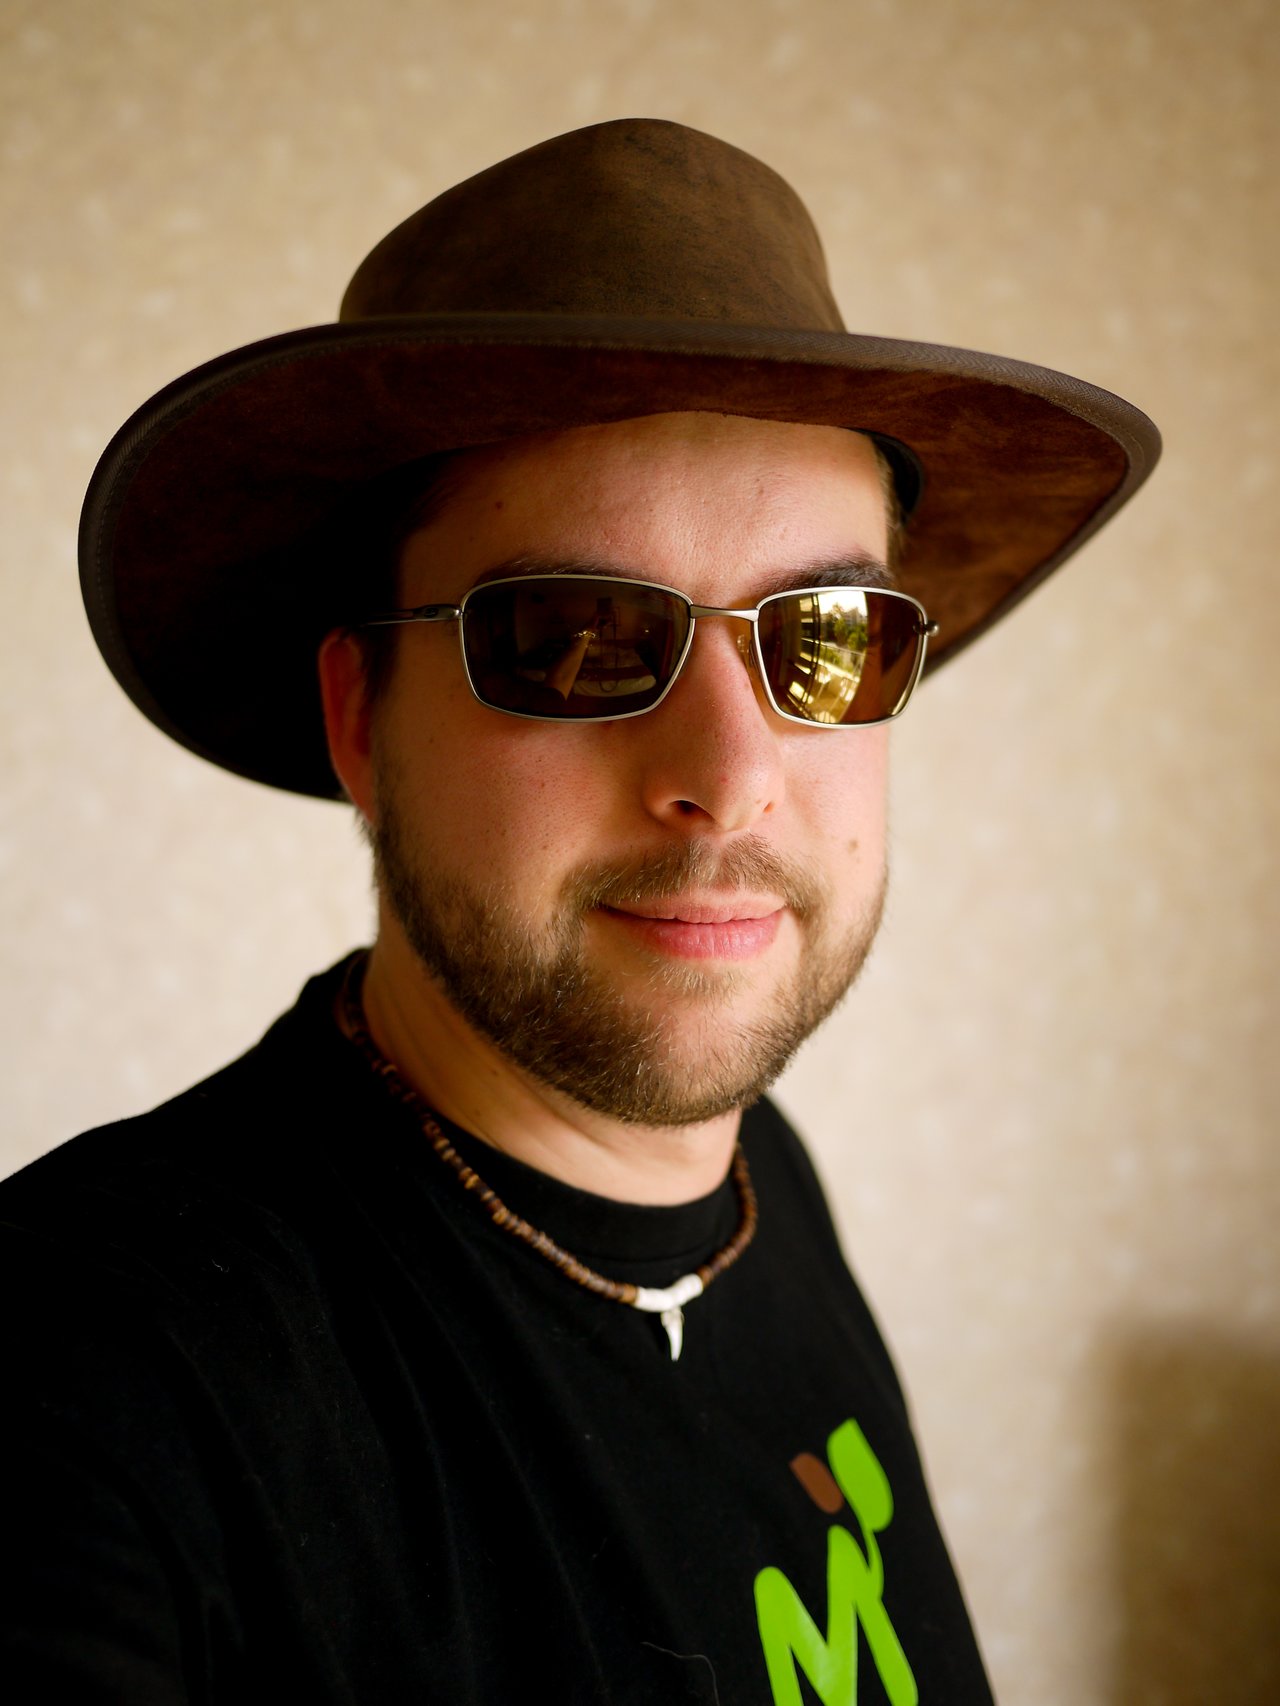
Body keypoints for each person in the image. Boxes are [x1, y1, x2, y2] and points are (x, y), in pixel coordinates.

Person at [1, 119, 1158, 1704]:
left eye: (825, 635)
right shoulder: (94, 1369)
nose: (731, 776)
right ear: (362, 719)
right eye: (571, 638)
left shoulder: (766, 1192)